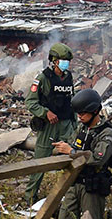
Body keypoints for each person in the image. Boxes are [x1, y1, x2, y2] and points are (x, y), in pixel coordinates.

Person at [43, 89, 112, 219]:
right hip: (75, 184)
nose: (80, 117)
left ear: (94, 111)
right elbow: (75, 148)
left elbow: (97, 158)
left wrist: (73, 151)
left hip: (92, 187)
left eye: (83, 113)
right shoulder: (82, 129)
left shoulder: (106, 133)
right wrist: (64, 149)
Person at [24, 43, 76, 205]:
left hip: (67, 123)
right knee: (40, 161)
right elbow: (31, 102)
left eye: (67, 60)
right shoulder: (42, 78)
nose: (65, 63)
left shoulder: (68, 77)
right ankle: (30, 197)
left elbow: (71, 100)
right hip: (49, 125)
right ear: (54, 61)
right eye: (62, 60)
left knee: (75, 156)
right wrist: (45, 113)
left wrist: (75, 122)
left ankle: (72, 194)